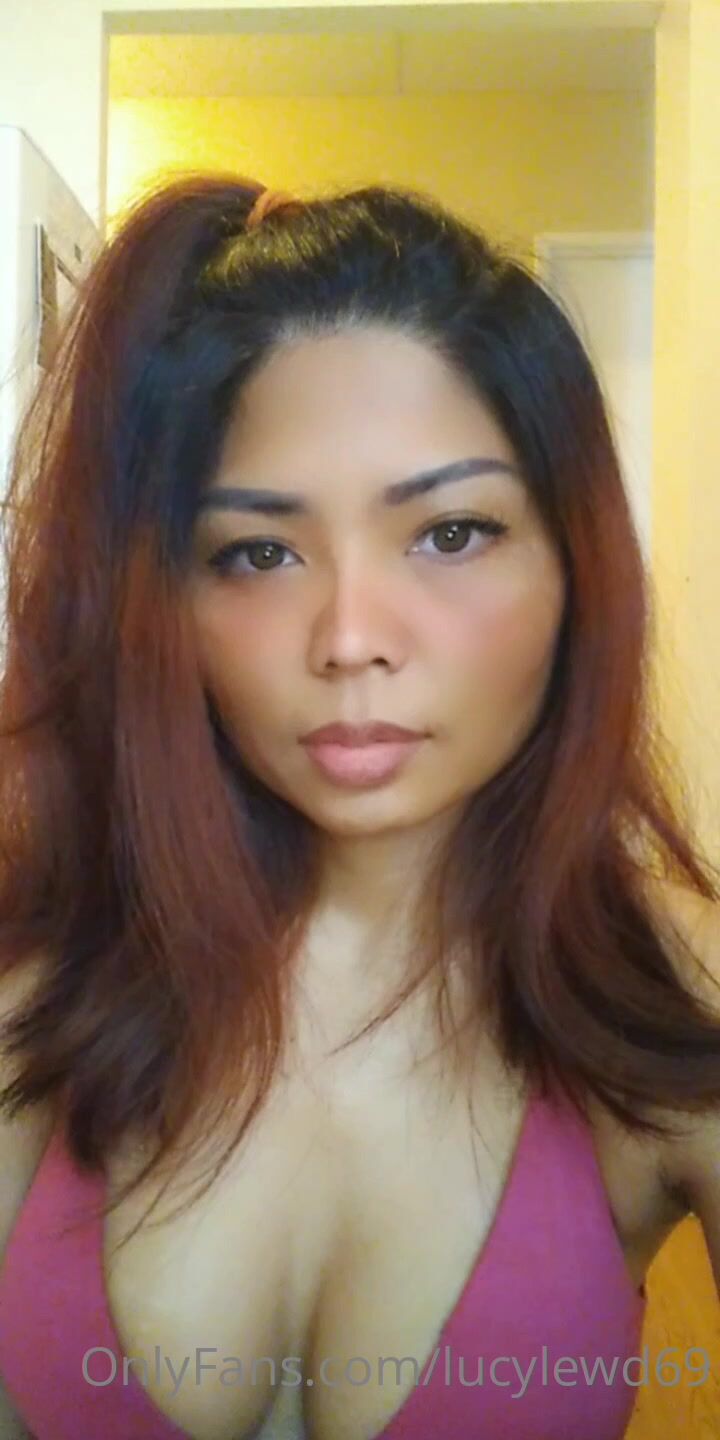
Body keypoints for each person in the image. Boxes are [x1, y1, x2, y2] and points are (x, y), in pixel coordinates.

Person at [0, 175, 719, 1440]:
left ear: (577, 566)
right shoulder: (37, 997)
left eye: (450, 533)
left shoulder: (671, 995)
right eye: (258, 553)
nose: (347, 639)